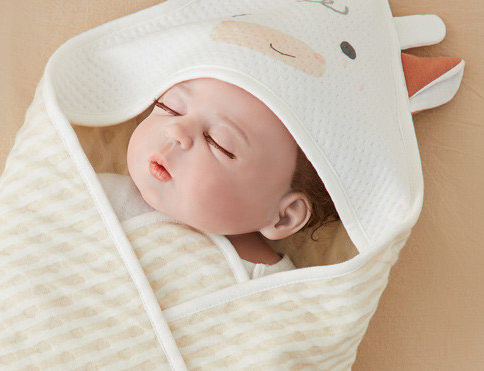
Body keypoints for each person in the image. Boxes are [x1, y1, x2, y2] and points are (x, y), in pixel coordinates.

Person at [100, 77, 338, 274]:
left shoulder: (281, 293)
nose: (176, 131)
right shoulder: (96, 194)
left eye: (218, 143)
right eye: (170, 108)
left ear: (285, 216)